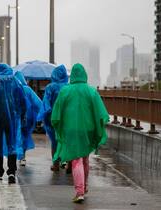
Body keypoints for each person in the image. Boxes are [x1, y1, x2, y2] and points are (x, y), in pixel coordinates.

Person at [51, 63, 109, 203]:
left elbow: (57, 113)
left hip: (71, 130)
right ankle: (85, 186)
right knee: (84, 158)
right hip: (87, 130)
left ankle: (79, 191)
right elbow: (100, 112)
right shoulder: (91, 91)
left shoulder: (65, 91)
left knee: (76, 159)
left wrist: (59, 124)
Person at [37, 65, 68, 171]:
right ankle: (66, 162)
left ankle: (55, 164)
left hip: (52, 118)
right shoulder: (68, 87)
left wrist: (43, 115)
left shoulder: (50, 87)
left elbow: (46, 103)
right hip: (66, 118)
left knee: (54, 141)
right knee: (65, 140)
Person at [14, 71, 42, 166]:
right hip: (28, 118)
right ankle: (23, 157)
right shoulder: (28, 90)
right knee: (25, 136)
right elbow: (37, 103)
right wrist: (42, 114)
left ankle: (18, 156)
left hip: (16, 117)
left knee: (17, 136)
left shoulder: (13, 89)